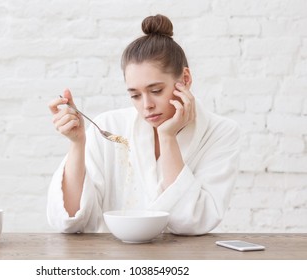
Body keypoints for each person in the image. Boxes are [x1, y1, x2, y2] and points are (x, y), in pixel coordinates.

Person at [47, 14, 240, 235]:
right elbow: (71, 220)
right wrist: (77, 143)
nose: (146, 105)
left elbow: (193, 221)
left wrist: (168, 137)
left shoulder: (221, 132)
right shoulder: (109, 125)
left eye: (156, 91)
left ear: (185, 79)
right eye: (135, 95)